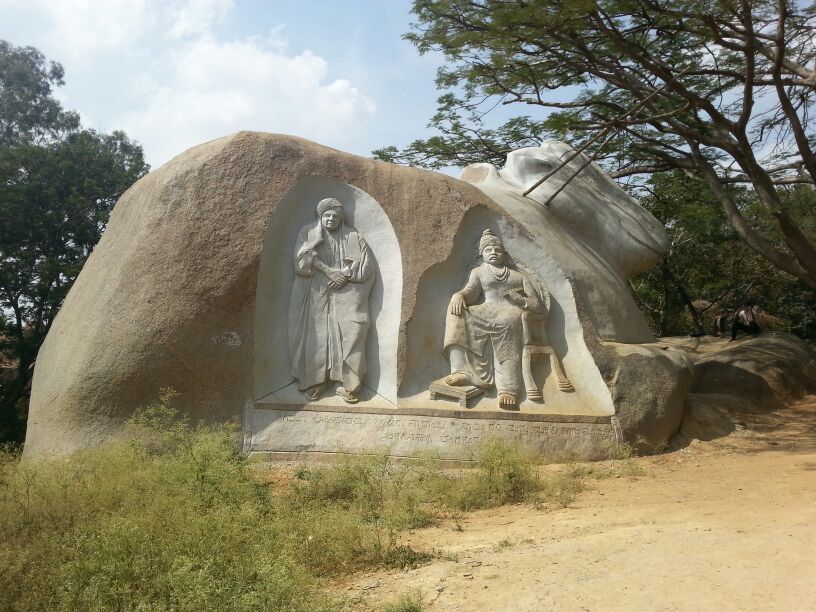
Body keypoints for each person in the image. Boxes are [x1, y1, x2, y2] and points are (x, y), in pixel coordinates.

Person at [443, 229, 544, 408]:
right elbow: (470, 292)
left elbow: (537, 304)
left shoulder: (519, 277)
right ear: (481, 253)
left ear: (504, 253)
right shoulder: (479, 272)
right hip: (486, 309)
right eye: (488, 250)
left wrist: (520, 300)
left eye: (497, 250)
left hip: (510, 311)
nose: (494, 253)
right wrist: (457, 295)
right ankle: (461, 370)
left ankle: (508, 388)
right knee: (455, 314)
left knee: (506, 324)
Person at [288, 198, 374, 403]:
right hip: (315, 290)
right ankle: (315, 382)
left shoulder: (353, 236)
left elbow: (364, 265)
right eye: (327, 215)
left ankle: (345, 383)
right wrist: (328, 272)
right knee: (316, 335)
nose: (331, 218)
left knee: (348, 334)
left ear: (341, 218)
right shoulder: (308, 233)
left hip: (346, 290)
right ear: (320, 216)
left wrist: (344, 276)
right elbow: (300, 262)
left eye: (335, 216)